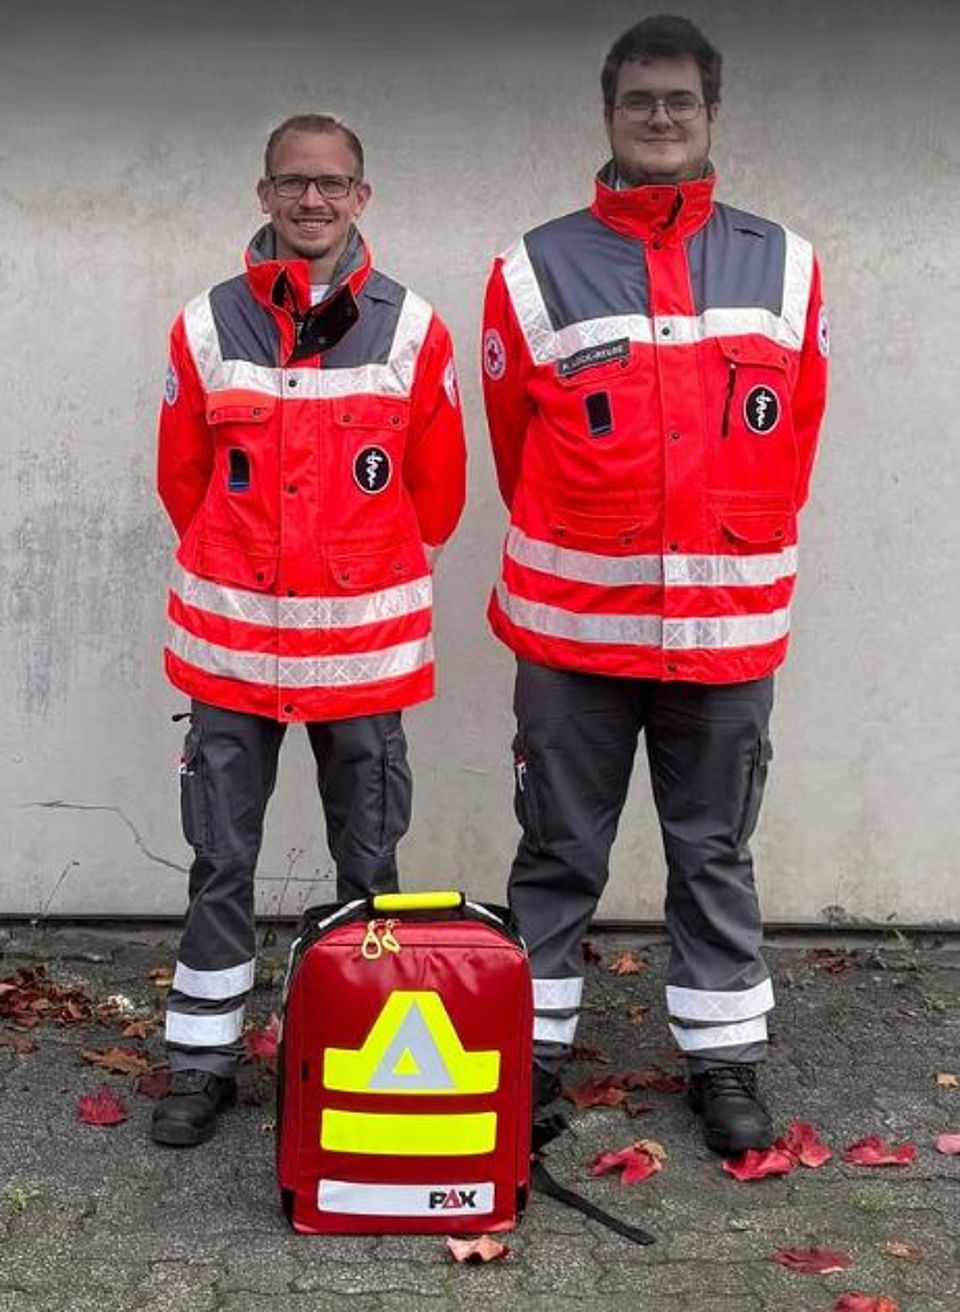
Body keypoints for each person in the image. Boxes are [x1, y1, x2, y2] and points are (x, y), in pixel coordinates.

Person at [481, 16, 827, 1155]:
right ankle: (526, 1060)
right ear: (610, 113)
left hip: (725, 635)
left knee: (713, 849)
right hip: (575, 633)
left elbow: (793, 444)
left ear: (713, 114)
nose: (661, 118)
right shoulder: (532, 266)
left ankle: (724, 1066)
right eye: (641, 101)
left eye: (681, 101)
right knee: (558, 850)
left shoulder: (787, 260)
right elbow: (511, 449)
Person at [153, 114, 466, 1146]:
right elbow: (184, 482)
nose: (313, 201)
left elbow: (438, 496)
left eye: (332, 184)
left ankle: (360, 1057)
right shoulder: (205, 327)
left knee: (370, 868)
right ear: (264, 194)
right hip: (232, 655)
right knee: (220, 864)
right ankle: (202, 1066)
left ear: (361, 197)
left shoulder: (415, 330)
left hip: (364, 660)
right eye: (294, 183)